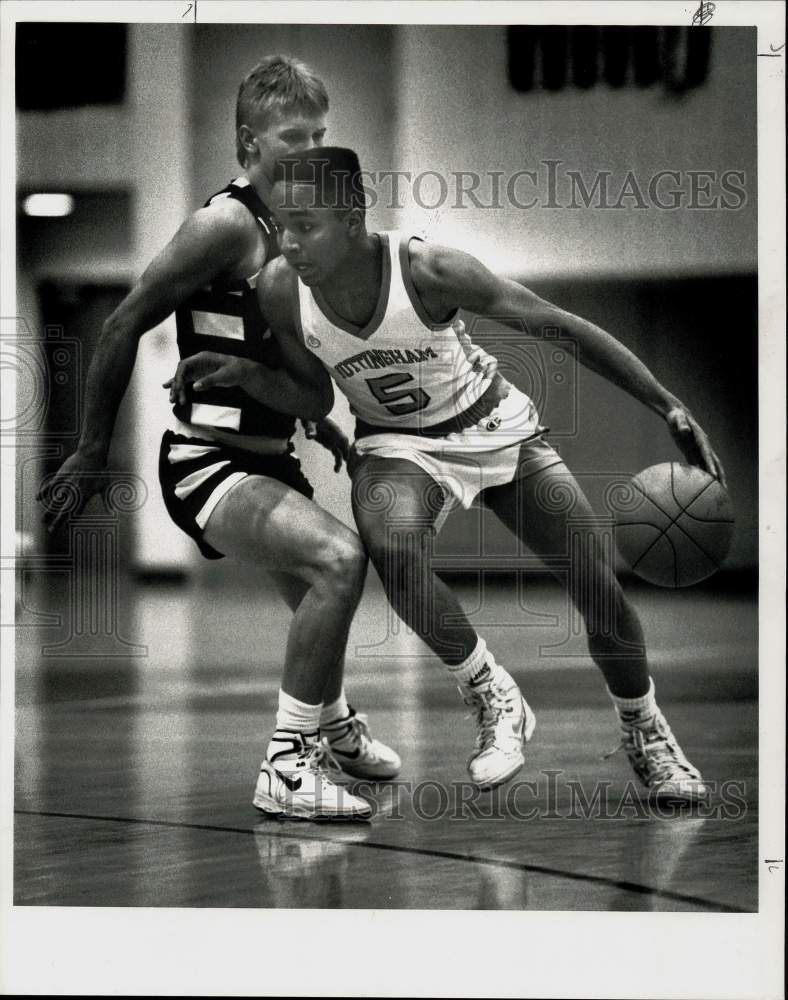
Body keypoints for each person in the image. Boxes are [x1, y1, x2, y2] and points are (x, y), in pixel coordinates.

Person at [169, 146, 727, 802]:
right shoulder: (279, 289)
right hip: (400, 445)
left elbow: (558, 326)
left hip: (498, 429)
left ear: (353, 219)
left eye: (307, 224)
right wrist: (251, 376)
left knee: (597, 590)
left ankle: (646, 729)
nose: (289, 242)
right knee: (389, 545)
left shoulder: (430, 270)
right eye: (281, 225)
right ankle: (493, 696)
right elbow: (316, 397)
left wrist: (665, 402)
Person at [37, 63, 402, 822]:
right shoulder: (225, 224)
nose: (309, 148)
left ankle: (330, 722)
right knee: (340, 561)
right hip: (207, 461)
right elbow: (121, 320)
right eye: (292, 137)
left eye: (320, 136)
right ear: (248, 141)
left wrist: (317, 417)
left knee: (318, 598)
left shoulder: (293, 227)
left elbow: (276, 352)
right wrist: (91, 446)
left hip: (270, 458)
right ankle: (286, 765)